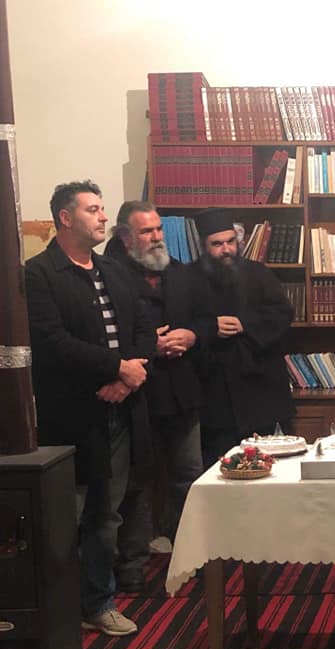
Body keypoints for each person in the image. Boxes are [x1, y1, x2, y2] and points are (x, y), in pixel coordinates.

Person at [25, 181, 153, 636]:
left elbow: (144, 327)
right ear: (65, 218)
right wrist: (116, 367)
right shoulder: (38, 274)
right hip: (70, 415)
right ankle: (55, 608)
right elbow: (51, 341)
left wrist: (126, 376)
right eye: (93, 209)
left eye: (102, 209)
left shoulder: (114, 270)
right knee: (67, 515)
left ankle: (98, 602)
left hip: (119, 411)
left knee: (106, 513)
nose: (103, 217)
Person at [104, 201, 214, 588]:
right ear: (125, 237)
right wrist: (151, 343)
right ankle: (132, 562)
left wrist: (193, 335)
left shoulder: (181, 273)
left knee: (189, 475)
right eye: (146, 231)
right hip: (137, 394)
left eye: (158, 230)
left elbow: (206, 319)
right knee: (137, 482)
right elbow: (105, 335)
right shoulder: (110, 275)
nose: (156, 237)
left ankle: (189, 553)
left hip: (182, 392)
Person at [190, 208, 295, 468]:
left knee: (266, 467)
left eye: (230, 241)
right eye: (217, 244)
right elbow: (183, 324)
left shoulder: (258, 273)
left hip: (261, 387)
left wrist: (245, 325)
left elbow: (282, 314)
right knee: (219, 468)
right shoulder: (188, 278)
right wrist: (211, 327)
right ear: (204, 245)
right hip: (214, 393)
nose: (226, 249)